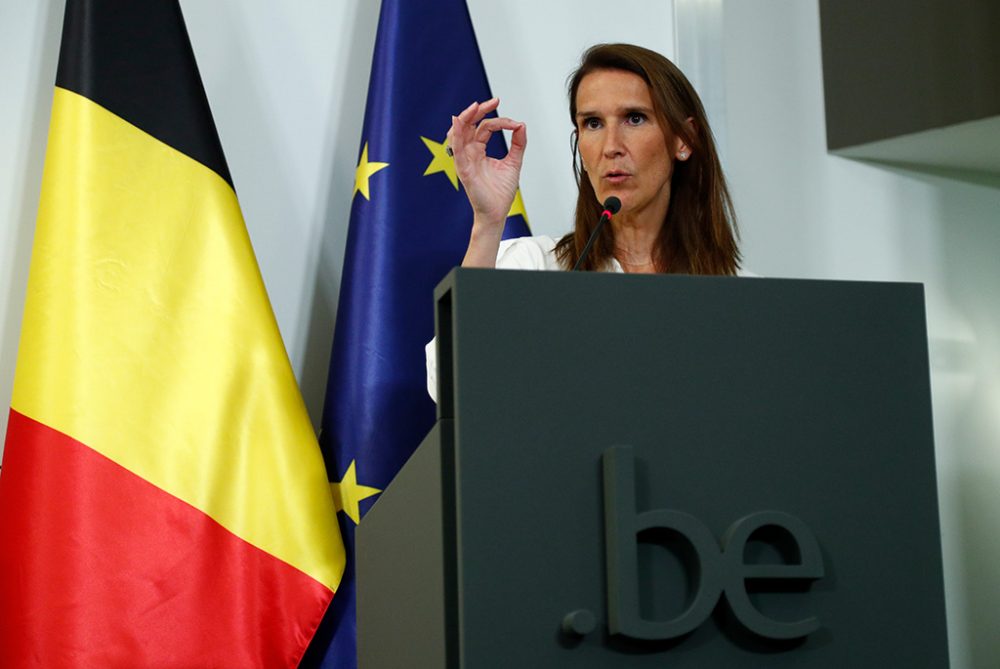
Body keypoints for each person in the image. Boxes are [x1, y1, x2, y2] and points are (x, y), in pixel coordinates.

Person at [426, 43, 747, 399]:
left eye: (634, 118)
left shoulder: (742, 296)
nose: (611, 146)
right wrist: (487, 222)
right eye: (592, 123)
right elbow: (449, 384)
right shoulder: (534, 267)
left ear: (684, 139)